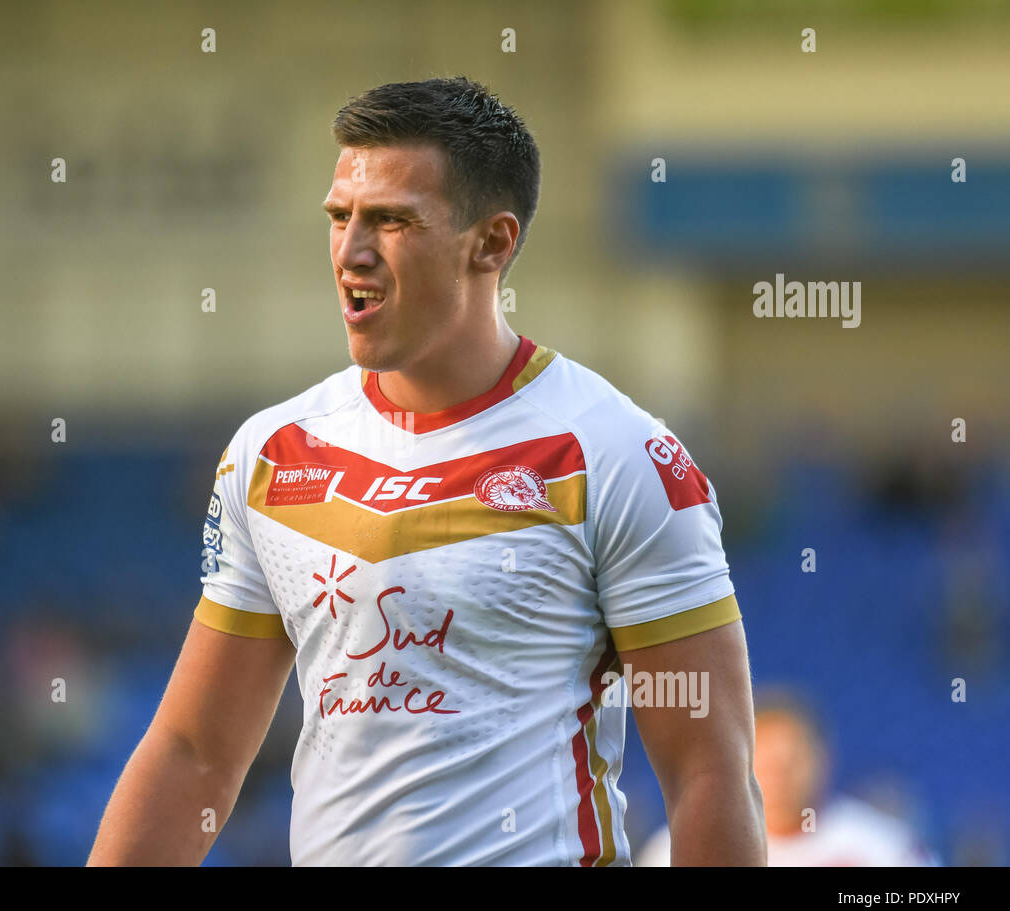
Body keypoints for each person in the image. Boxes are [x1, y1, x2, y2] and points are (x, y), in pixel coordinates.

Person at [88, 76, 764, 866]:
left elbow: (708, 772)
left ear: (493, 242)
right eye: (340, 217)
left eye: (392, 221)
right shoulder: (273, 453)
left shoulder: (616, 456)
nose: (351, 251)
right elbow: (194, 753)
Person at [636, 690, 936, 866]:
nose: (780, 775)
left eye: (791, 761)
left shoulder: (882, 844)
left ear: (823, 759)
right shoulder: (679, 849)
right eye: (767, 760)